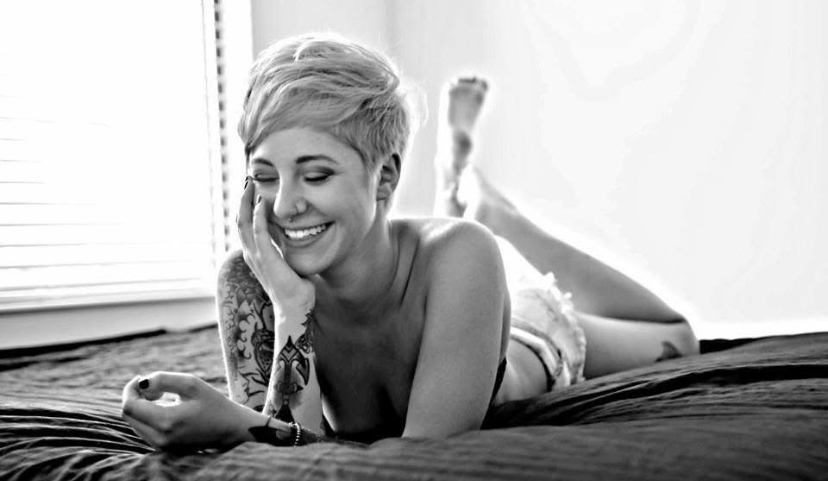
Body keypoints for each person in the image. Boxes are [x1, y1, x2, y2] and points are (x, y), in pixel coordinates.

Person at [121, 33, 698, 450]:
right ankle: (458, 191)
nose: (283, 205)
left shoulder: (465, 257)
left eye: (316, 175)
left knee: (679, 338)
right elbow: (293, 455)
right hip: (443, 281)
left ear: (386, 177)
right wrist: (291, 305)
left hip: (532, 333)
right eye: (265, 177)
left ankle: (500, 216)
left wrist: (237, 426)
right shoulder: (251, 279)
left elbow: (421, 457)